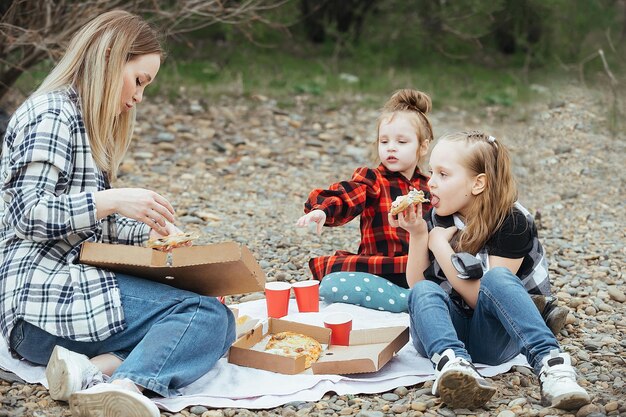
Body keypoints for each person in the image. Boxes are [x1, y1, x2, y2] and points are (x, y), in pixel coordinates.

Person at [0, 11, 234, 417]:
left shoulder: (82, 120)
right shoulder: (52, 114)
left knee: (205, 310)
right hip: (39, 301)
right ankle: (130, 387)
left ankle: (87, 371)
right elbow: (26, 213)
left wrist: (151, 234)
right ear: (110, 57)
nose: (139, 96)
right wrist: (112, 199)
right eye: (139, 80)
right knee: (204, 315)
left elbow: (89, 225)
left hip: (60, 299)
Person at [391, 130, 590, 410]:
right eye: (430, 173)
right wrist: (419, 234)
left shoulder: (512, 222)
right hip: (441, 334)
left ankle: (552, 365)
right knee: (424, 289)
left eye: (443, 175)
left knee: (497, 277)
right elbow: (416, 283)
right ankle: (453, 367)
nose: (430, 183)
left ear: (478, 183)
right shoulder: (437, 216)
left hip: (494, 338)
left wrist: (441, 248)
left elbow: (483, 297)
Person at [296, 89, 433, 312]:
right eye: (384, 141)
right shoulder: (373, 179)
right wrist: (323, 210)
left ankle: (411, 299)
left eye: (402, 141)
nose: (391, 147)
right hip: (381, 267)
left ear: (423, 146)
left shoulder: (430, 185)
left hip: (421, 268)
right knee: (333, 282)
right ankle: (405, 301)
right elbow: (348, 194)